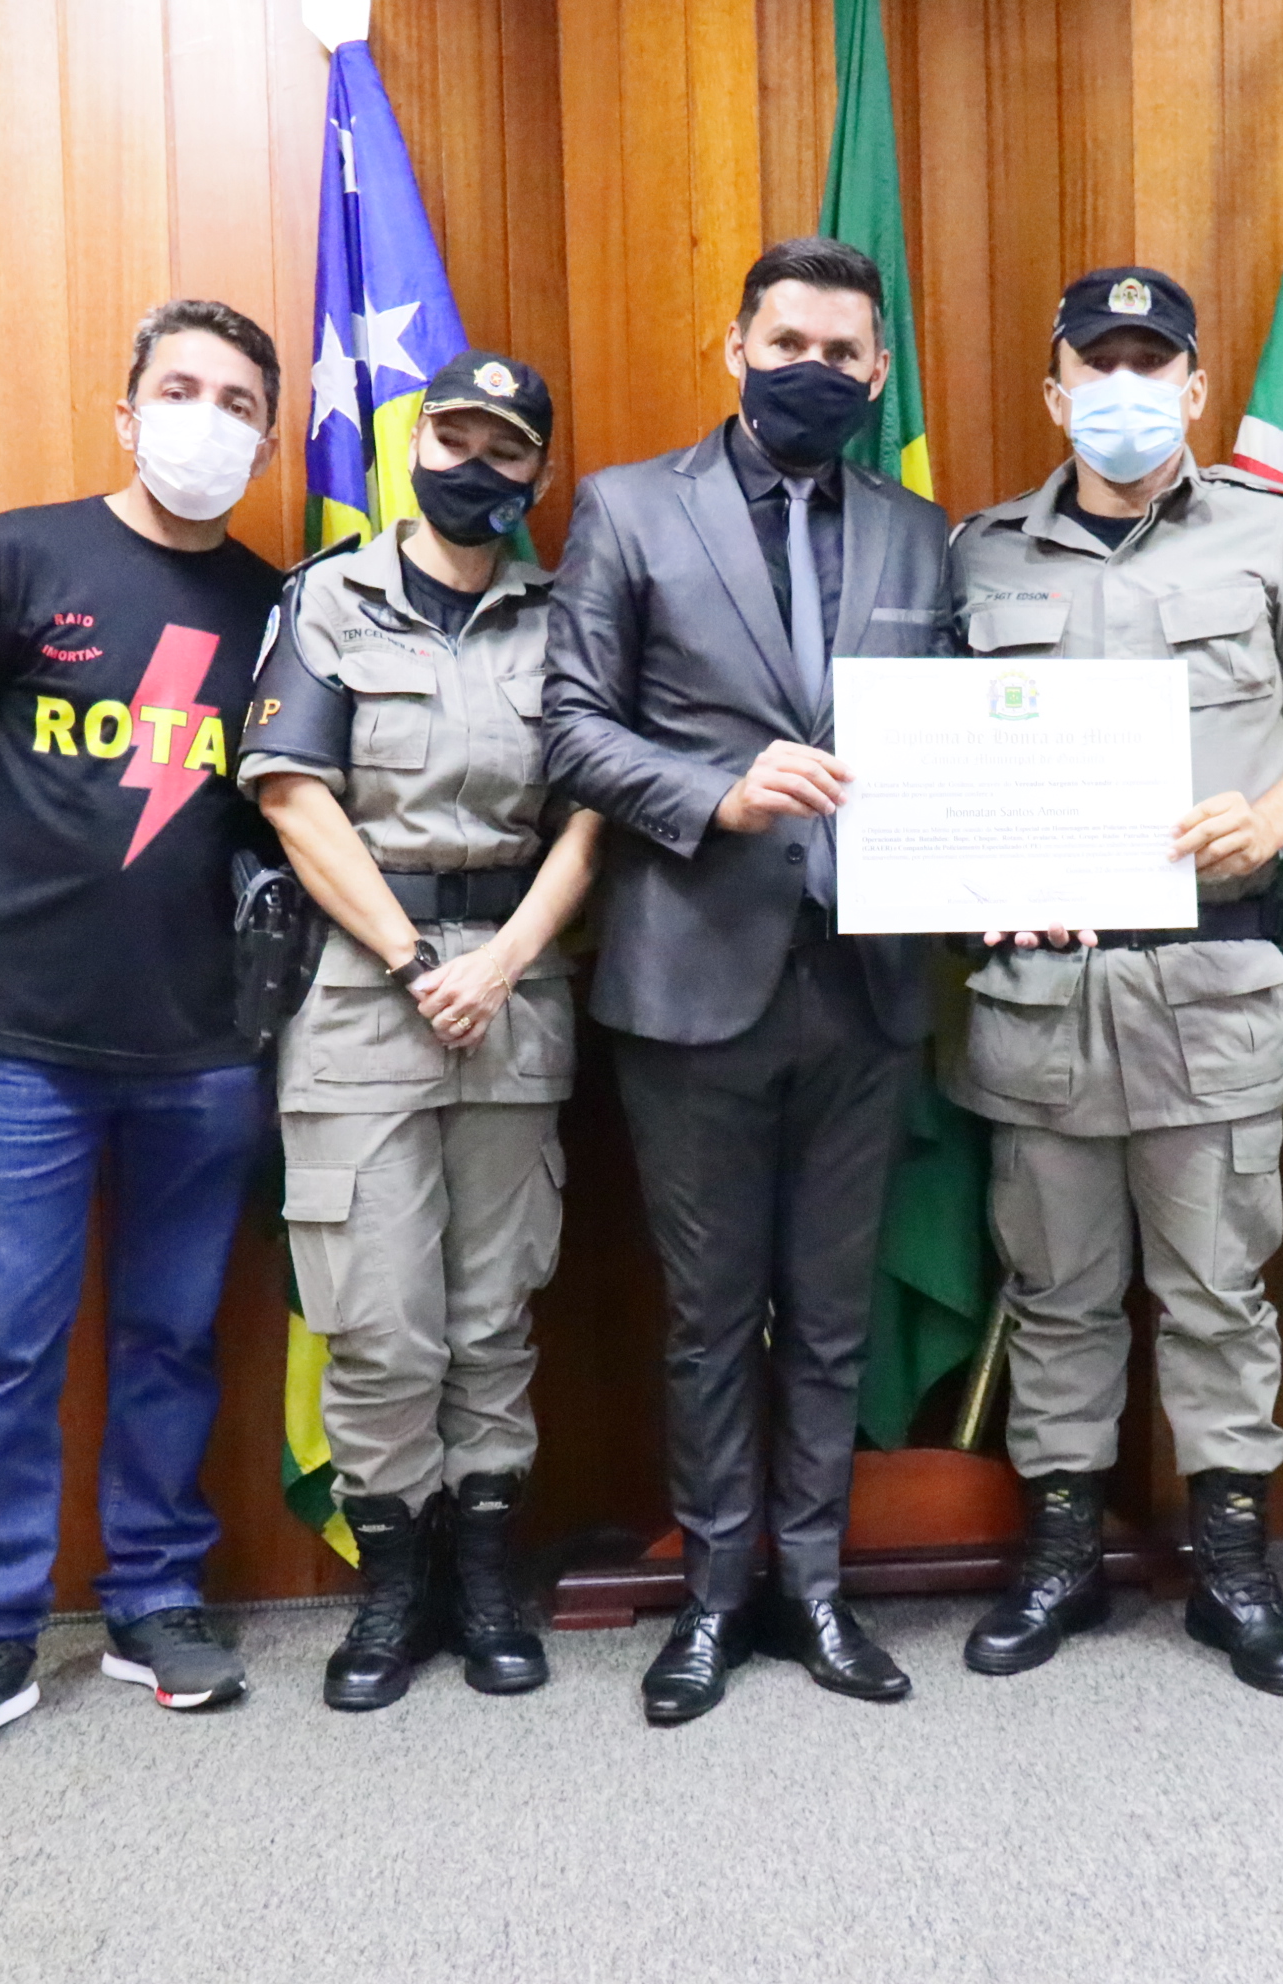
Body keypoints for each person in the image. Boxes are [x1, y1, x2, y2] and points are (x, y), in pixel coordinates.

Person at [945, 268, 1283, 1699]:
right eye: (1100, 365)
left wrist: (1274, 817)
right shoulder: (980, 555)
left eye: (1154, 365)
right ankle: (1061, 1554)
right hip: (1040, 993)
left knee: (1217, 1293)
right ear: (1056, 392)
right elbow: (933, 763)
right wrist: (982, 876)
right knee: (1056, 1292)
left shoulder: (1279, 539)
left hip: (1211, 974)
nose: (1125, 389)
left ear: (1196, 389)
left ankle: (1234, 1565)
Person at [0, 299, 286, 1775]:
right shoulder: (14, 559)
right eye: (180, 388)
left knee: (174, 1337)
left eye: (238, 402)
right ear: (126, 410)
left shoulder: (275, 607)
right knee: (4, 1344)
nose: (204, 418)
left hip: (204, 1048)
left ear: (266, 442)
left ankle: (154, 1597)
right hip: (20, 1043)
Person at [544, 237, 951, 1725]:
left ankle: (818, 1588)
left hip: (869, 982)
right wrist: (715, 793)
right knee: (710, 1317)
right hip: (692, 976)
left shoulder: (921, 532)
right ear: (735, 347)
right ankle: (717, 1593)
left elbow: (961, 736)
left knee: (832, 1315)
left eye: (843, 354)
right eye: (788, 344)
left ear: (879, 371)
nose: (813, 372)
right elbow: (571, 726)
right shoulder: (628, 509)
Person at [236, 352, 601, 1712]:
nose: (473, 467)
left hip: (515, 988)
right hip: (359, 997)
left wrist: (500, 962)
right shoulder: (327, 600)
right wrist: (408, 956)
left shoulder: (566, 621)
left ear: (538, 474)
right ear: (414, 444)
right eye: (452, 438)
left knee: (493, 1314)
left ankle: (486, 1576)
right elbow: (291, 795)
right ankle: (395, 1584)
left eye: (505, 449)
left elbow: (590, 816)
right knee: (380, 1317)